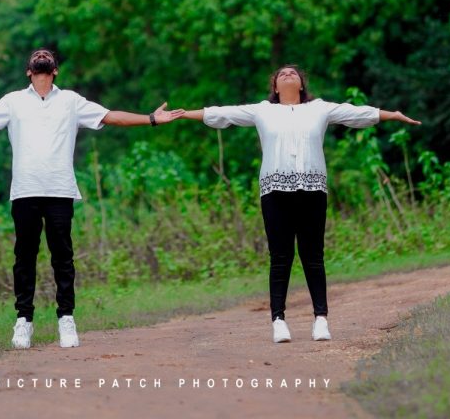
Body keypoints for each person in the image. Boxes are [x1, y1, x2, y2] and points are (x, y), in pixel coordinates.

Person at [0, 47, 182, 350]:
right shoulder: (13, 101)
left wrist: (151, 118)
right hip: (25, 191)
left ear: (54, 70)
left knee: (62, 257)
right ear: (29, 71)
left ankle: (66, 319)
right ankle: (24, 321)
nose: (41, 56)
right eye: (37, 55)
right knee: (25, 257)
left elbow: (111, 116)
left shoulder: (71, 101)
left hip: (60, 190)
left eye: (46, 55)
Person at [180, 64, 420, 344]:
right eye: (282, 73)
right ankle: (278, 321)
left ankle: (321, 319)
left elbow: (355, 113)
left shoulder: (320, 108)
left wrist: (391, 115)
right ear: (275, 87)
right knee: (280, 257)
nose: (288, 74)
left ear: (302, 84)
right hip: (274, 190)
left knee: (313, 255)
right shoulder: (262, 110)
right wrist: (185, 114)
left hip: (312, 188)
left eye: (293, 72)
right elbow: (222, 113)